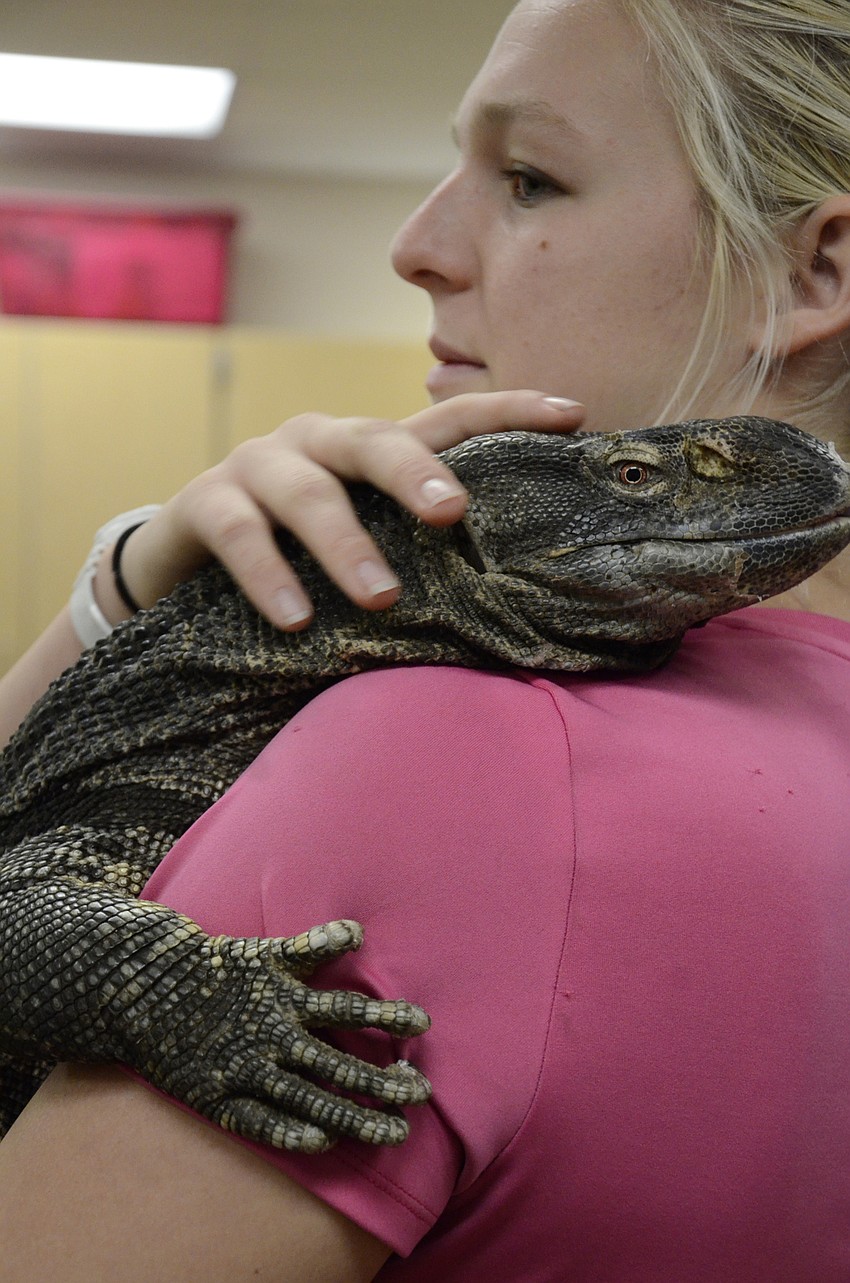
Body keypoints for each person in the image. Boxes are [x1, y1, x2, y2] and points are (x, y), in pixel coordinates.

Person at [1, 0, 850, 1278]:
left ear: (817, 274)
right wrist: (116, 601)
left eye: (528, 176)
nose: (415, 246)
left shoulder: (443, 747)